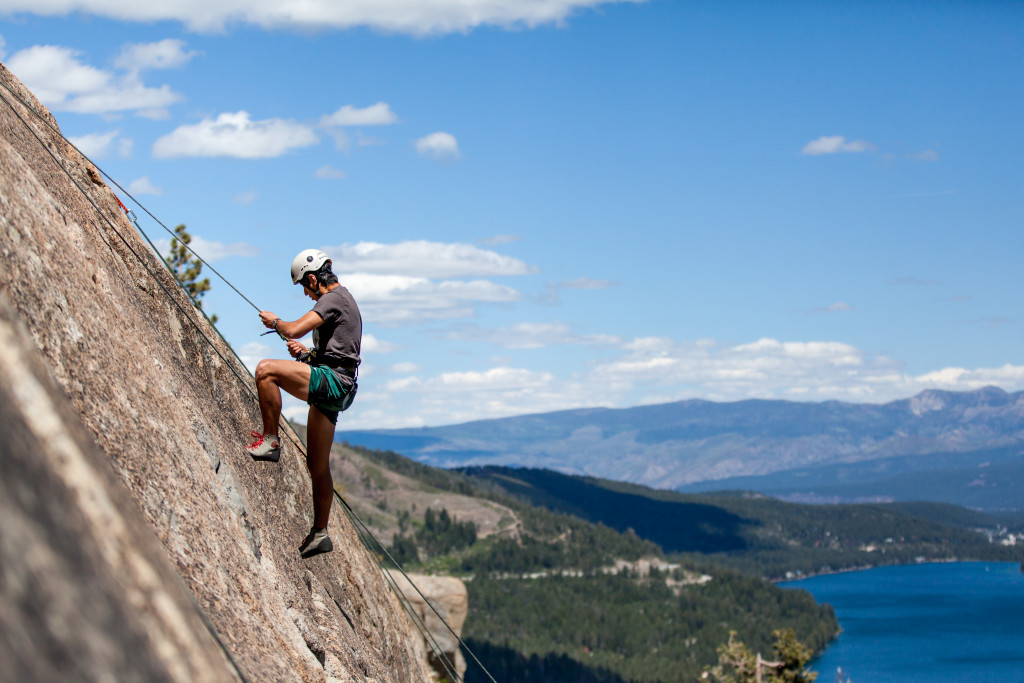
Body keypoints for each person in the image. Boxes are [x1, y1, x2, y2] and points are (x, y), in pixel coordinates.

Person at [245, 249, 361, 558]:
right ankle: (320, 533)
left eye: (304, 287)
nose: (306, 294)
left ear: (312, 279)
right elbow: (339, 354)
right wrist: (306, 356)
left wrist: (277, 321)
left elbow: (294, 328)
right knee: (317, 465)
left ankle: (270, 441)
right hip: (342, 386)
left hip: (334, 381)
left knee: (265, 370)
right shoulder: (344, 300)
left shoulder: (333, 299)